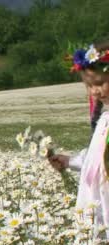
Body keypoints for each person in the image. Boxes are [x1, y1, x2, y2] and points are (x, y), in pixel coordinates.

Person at [48, 41, 109, 225]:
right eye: (89, 86)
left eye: (99, 83)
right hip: (94, 204)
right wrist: (70, 161)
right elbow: (94, 158)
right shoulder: (104, 120)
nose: (95, 91)